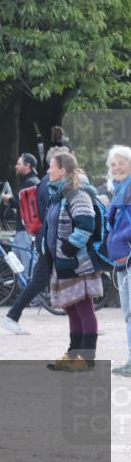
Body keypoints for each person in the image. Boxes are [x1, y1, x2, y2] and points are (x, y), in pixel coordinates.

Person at [43, 152, 102, 371]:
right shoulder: (58, 194)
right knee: (71, 308)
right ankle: (74, 353)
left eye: (52, 166)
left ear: (64, 170)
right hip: (62, 262)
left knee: (84, 307)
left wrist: (71, 246)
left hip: (78, 262)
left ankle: (87, 358)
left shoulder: (77, 193)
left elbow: (86, 223)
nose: (48, 170)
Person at [1, 147, 69, 334]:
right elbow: (51, 213)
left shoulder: (46, 183)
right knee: (55, 278)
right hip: (50, 239)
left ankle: (84, 320)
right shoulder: (50, 184)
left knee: (48, 279)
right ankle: (12, 316)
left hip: (47, 238)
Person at [105, 145, 131, 377]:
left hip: (129, 255)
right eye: (113, 164)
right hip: (122, 258)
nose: (117, 167)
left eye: (122, 162)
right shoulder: (119, 190)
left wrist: (121, 238)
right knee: (128, 313)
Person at [0, 153, 41, 271]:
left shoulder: (29, 183)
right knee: (17, 267)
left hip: (25, 231)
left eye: (19, 164)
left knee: (27, 266)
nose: (16, 166)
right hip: (23, 230)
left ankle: (34, 289)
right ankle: (24, 289)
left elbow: (26, 206)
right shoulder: (32, 181)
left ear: (27, 166)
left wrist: (10, 200)